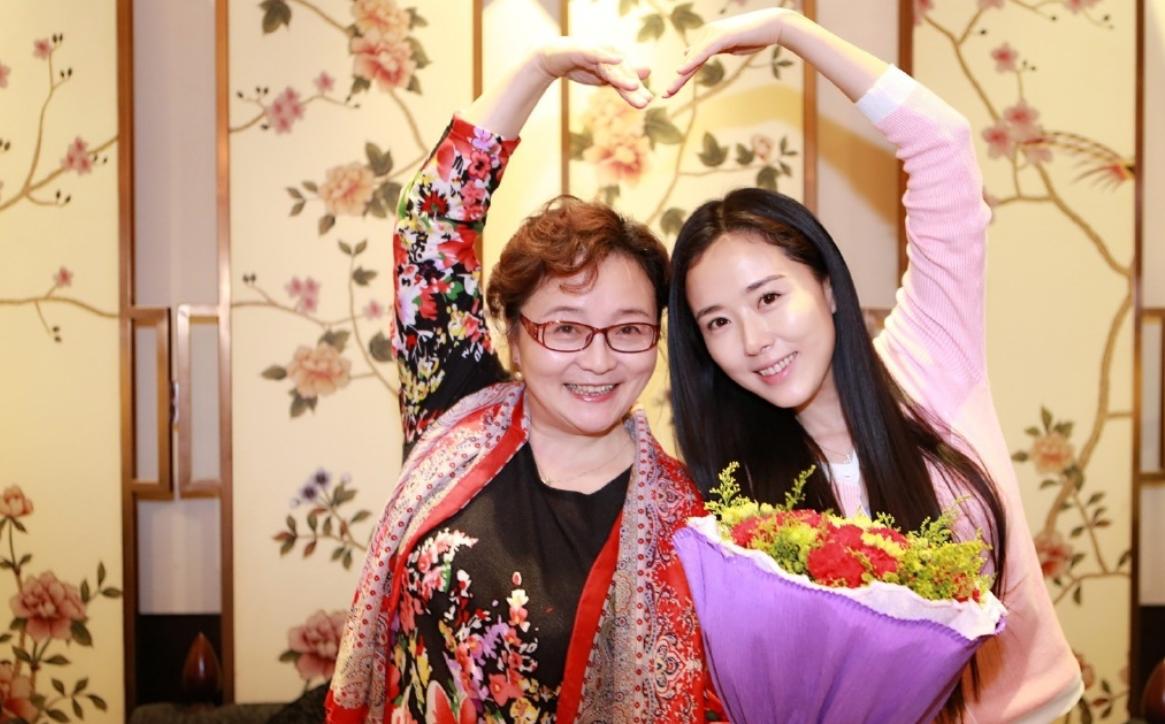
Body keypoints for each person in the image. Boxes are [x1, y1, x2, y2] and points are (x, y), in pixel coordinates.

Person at [663, 8, 1083, 722]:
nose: (754, 340)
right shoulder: (737, 488)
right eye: (718, 323)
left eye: (769, 297)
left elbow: (943, 146)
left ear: (827, 286)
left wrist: (791, 30)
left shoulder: (929, 360)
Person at [326, 39, 717, 723]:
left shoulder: (689, 520)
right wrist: (540, 68)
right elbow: (431, 228)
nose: (599, 360)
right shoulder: (458, 412)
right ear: (511, 331)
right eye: (565, 328)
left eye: (628, 329)